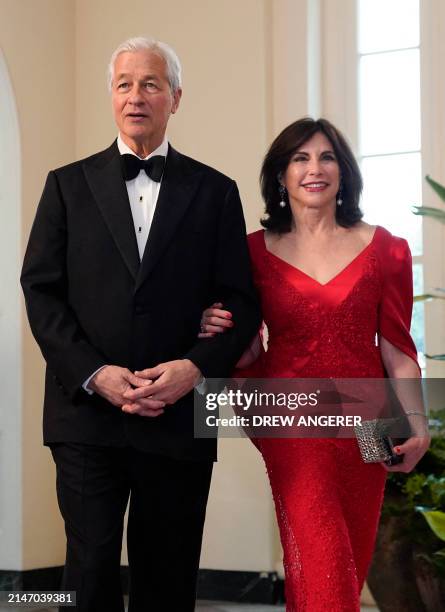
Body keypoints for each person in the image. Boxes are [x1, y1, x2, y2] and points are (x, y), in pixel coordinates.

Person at [20, 36, 260, 612]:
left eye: (151, 83)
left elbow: (242, 305)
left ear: (175, 97)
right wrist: (94, 372)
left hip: (179, 415)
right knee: (87, 575)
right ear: (111, 95)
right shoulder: (65, 185)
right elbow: (41, 292)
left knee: (168, 576)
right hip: (85, 417)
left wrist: (192, 370)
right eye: (124, 84)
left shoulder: (216, 192)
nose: (136, 96)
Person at [199, 117, 430, 612]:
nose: (314, 168)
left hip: (372, 427)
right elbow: (242, 340)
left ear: (343, 172)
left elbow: (398, 349)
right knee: (322, 558)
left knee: (346, 562)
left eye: (326, 157)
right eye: (299, 158)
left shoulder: (387, 248)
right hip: (293, 420)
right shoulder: (252, 253)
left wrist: (417, 423)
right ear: (280, 176)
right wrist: (214, 326)